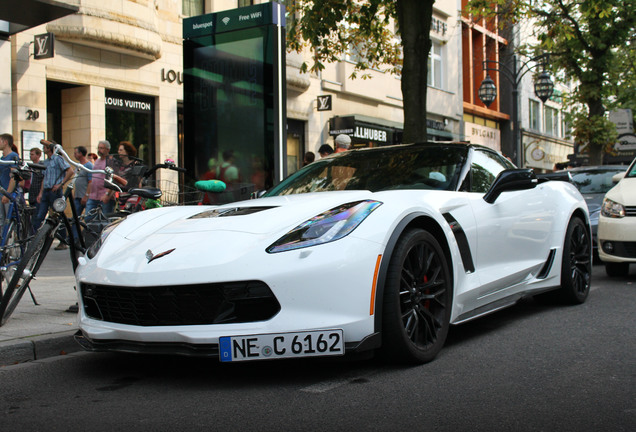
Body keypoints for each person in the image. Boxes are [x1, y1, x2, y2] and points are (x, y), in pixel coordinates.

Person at [32, 141, 73, 234]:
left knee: (58, 216)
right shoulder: (45, 162)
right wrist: (40, 193)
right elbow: (44, 178)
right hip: (46, 191)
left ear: (49, 148)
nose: (43, 149)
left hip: (55, 191)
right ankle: (35, 239)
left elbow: (70, 171)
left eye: (45, 147)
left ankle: (63, 240)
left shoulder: (58, 159)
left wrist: (61, 184)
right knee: (40, 216)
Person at [85, 140, 115, 219]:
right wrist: (88, 194)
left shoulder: (111, 161)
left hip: (104, 197)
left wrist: (107, 195)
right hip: (93, 196)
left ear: (107, 150)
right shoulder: (97, 161)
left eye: (101, 148)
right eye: (98, 148)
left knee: (105, 220)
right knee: (88, 218)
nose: (99, 150)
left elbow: (113, 180)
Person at [0, 133, 20, 226]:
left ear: (5, 142)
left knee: (8, 221)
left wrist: (7, 194)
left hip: (9, 194)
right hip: (2, 193)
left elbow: (13, 177)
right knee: (2, 221)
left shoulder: (13, 156)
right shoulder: (2, 158)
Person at [73, 146, 93, 215]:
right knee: (75, 217)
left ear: (80, 153)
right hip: (77, 196)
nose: (74, 155)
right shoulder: (78, 165)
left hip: (85, 197)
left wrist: (86, 195)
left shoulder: (89, 166)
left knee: (88, 216)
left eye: (75, 153)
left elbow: (90, 182)